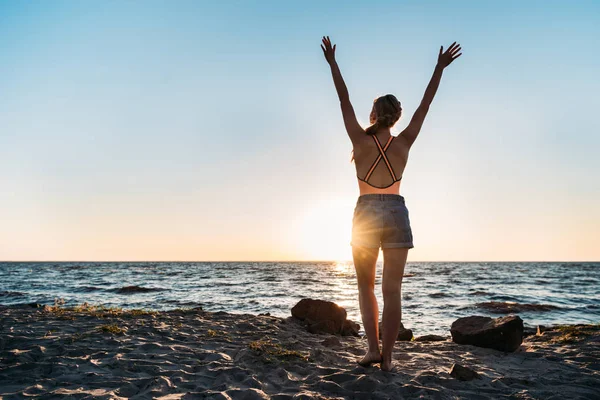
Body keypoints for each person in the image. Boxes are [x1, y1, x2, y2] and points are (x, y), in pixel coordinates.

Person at [321, 36, 461, 372]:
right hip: (397, 211)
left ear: (374, 114)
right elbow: (426, 105)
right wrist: (439, 68)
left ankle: (373, 350)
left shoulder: (359, 139)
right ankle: (390, 358)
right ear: (397, 116)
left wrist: (333, 64)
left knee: (365, 287)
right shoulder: (404, 141)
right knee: (392, 291)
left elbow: (343, 101)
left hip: (366, 212)